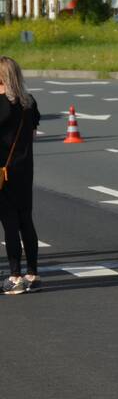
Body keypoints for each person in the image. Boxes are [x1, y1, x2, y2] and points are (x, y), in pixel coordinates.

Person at [0, 56, 41, 295]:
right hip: (25, 169)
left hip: (3, 172)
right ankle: (32, 274)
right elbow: (32, 135)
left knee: (9, 223)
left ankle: (15, 276)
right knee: (26, 220)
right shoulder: (29, 102)